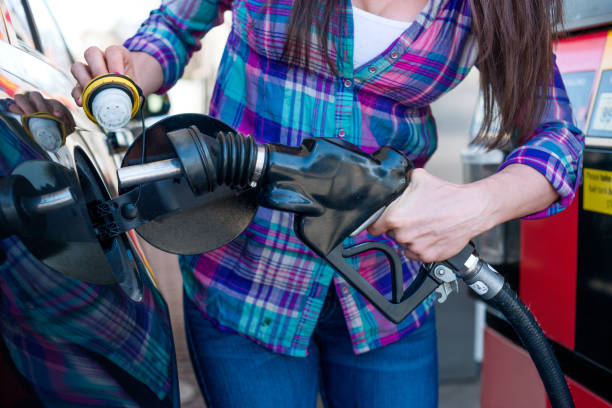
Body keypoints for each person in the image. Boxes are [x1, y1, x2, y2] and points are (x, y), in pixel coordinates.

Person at [71, 0, 583, 406]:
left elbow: (559, 137)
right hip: (246, 284)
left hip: (385, 295)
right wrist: (132, 69)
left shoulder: (492, 9)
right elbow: (175, 28)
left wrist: (476, 206)